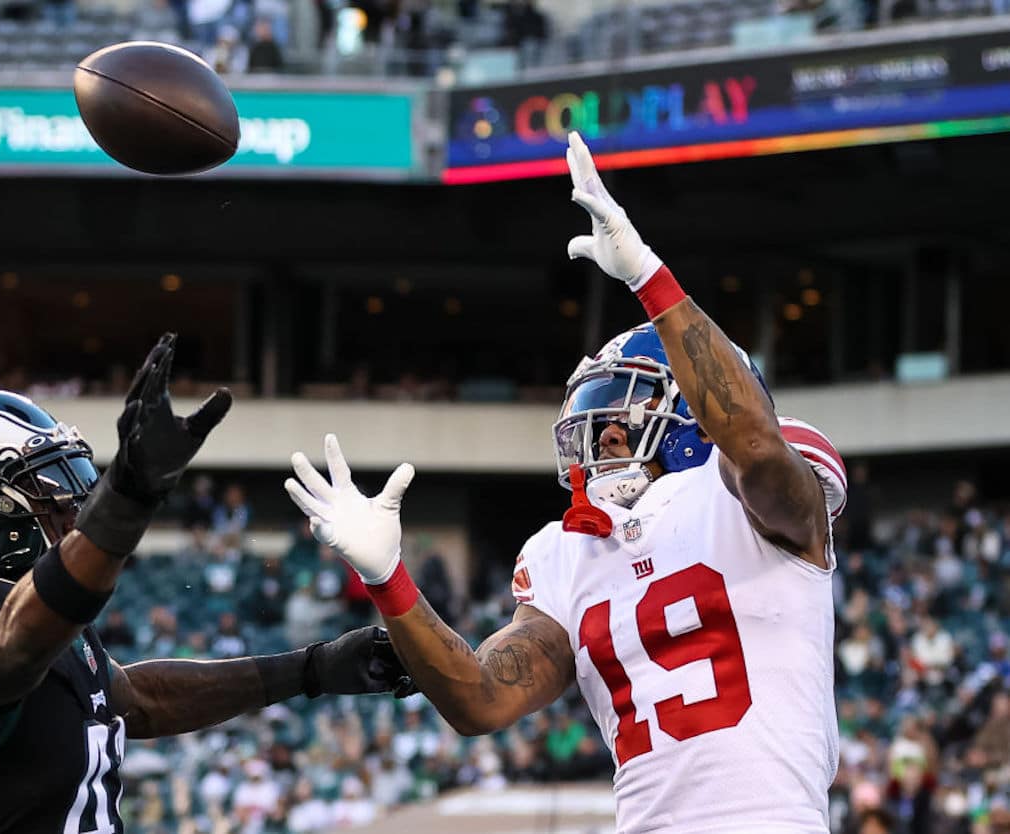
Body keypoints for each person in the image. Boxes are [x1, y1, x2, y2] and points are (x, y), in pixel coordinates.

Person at [284, 133, 848, 833]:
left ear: (692, 416)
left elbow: (755, 445)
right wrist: (388, 576)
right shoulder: (570, 550)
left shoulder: (748, 494)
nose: (604, 435)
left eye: (628, 412)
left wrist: (648, 275)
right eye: (595, 419)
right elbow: (481, 701)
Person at [0, 334, 413, 833]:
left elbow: (136, 699)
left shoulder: (34, 617)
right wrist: (126, 502)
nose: (73, 516)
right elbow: (6, 655)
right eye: (48, 497)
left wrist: (312, 668)